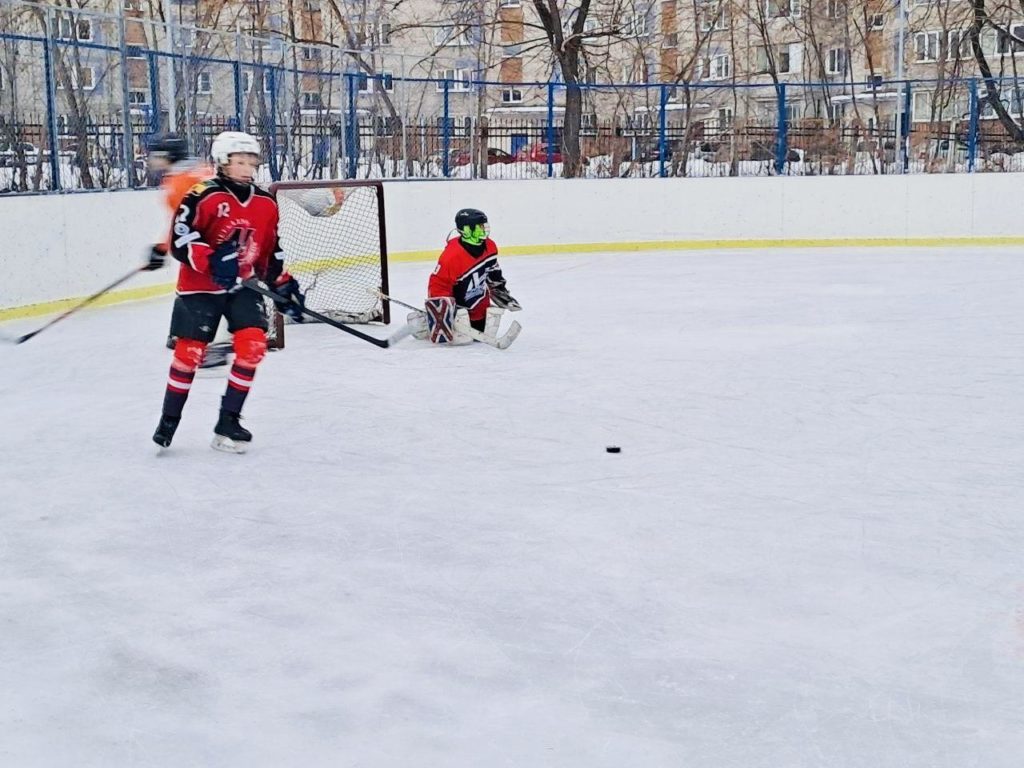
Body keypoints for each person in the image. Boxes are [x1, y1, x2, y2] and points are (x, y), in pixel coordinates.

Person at [152, 130, 305, 453]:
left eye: (252, 161)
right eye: (240, 161)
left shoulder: (265, 202)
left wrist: (282, 285)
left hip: (243, 285)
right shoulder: (201, 195)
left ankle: (228, 421)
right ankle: (169, 419)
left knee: (252, 346)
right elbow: (181, 242)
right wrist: (211, 260)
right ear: (223, 162)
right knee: (190, 353)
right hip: (199, 287)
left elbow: (269, 253)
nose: (248, 168)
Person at [140, 134, 234, 368]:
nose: (152, 159)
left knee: (201, 293)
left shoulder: (178, 182)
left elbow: (182, 224)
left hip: (205, 245)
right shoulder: (202, 170)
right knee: (201, 290)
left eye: (156, 155)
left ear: (168, 156)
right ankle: (187, 335)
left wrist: (163, 249)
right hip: (224, 239)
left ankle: (213, 345)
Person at [422, 208, 520, 343]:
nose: (484, 229)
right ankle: (425, 322)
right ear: (467, 230)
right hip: (459, 309)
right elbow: (438, 285)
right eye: (480, 226)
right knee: (461, 340)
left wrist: (500, 291)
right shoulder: (451, 257)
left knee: (485, 331)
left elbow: (493, 272)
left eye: (484, 225)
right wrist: (442, 311)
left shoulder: (490, 246)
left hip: (478, 303)